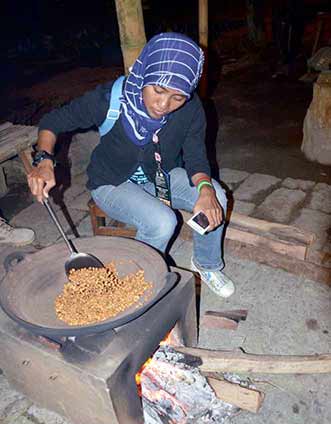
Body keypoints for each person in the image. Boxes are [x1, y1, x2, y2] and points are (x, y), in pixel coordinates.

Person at [27, 32, 235, 298]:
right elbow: (53, 122)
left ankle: (206, 264)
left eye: (177, 97)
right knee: (161, 222)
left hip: (161, 175)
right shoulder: (109, 99)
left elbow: (195, 156)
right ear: (144, 73)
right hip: (112, 182)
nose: (163, 104)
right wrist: (43, 160)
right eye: (158, 90)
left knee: (216, 195)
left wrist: (205, 190)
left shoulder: (192, 109)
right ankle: (137, 285)